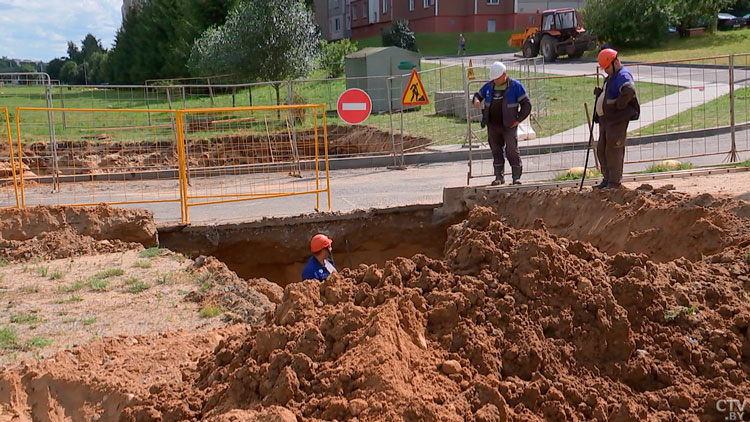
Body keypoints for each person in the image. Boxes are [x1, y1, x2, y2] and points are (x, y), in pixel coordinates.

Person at [472, 61, 532, 185]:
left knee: (511, 150)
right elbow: (477, 95)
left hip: (509, 125)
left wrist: (518, 120)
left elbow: (526, 104)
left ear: (504, 74)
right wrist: (476, 101)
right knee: (496, 150)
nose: (495, 80)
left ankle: (516, 177)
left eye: (497, 78)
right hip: (493, 125)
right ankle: (499, 177)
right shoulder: (489, 86)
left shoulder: (516, 86)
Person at [593, 48, 640, 189]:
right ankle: (607, 179)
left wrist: (620, 104)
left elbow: (629, 91)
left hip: (616, 120)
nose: (605, 70)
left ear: (615, 62)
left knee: (613, 150)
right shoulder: (612, 76)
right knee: (602, 149)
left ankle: (614, 182)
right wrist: (601, 94)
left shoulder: (623, 75)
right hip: (607, 120)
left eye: (606, 67)